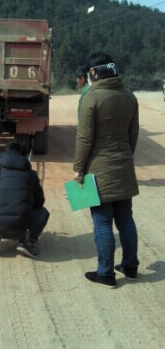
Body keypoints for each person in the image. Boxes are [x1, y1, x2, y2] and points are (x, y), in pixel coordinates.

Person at [73, 52, 139, 288]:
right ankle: (130, 266)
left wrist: (78, 168)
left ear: (93, 72)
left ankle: (106, 273)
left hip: (99, 170)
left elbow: (84, 138)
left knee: (102, 221)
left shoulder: (92, 98)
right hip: (124, 166)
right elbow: (133, 134)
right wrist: (125, 157)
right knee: (125, 219)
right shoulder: (130, 96)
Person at [0, 141, 50, 258]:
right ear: (23, 156)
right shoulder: (31, 174)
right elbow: (39, 203)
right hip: (21, 227)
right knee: (43, 212)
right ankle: (26, 241)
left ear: (3, 154)